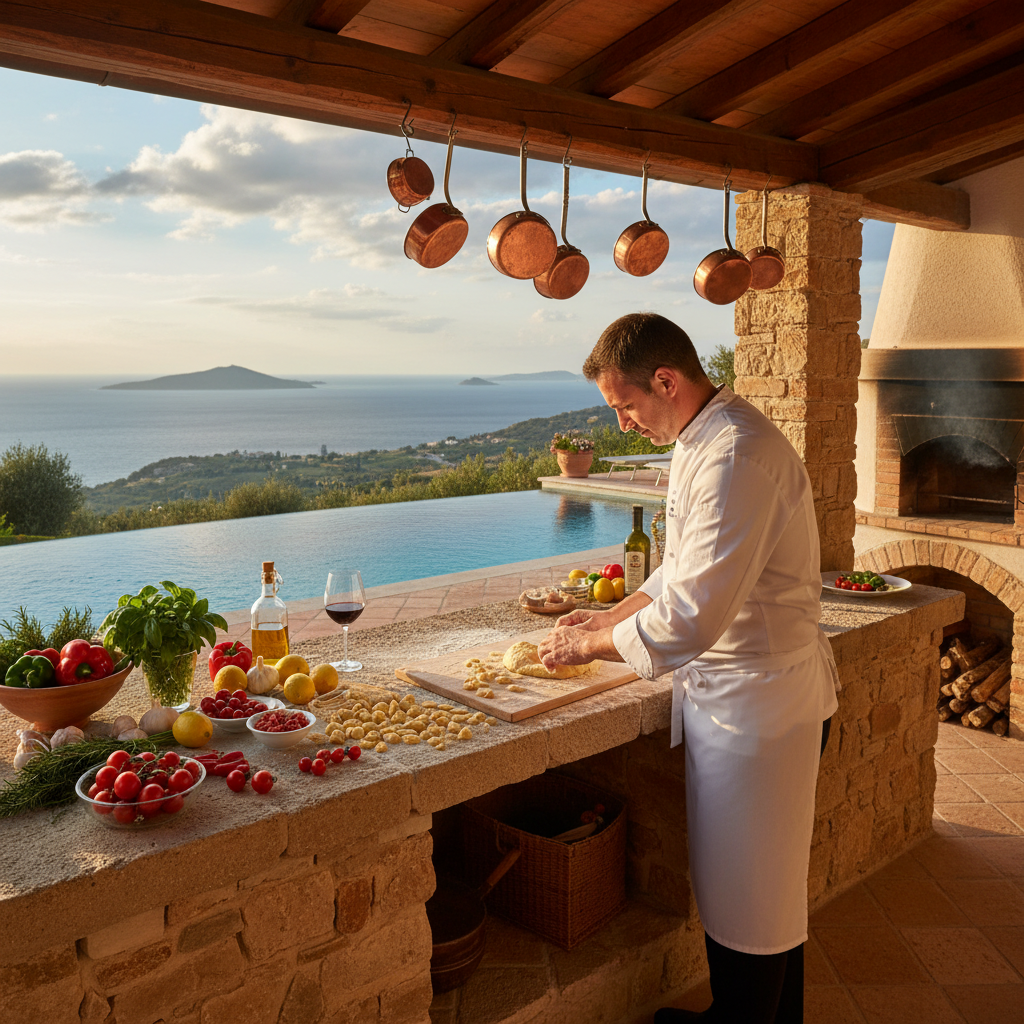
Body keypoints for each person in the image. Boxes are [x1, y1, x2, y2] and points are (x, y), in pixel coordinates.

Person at [537, 313, 839, 1024]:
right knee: (760, 901)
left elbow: (693, 615)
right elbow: (680, 569)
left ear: (665, 381)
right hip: (745, 705)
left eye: (625, 405)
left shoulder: (735, 453)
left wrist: (585, 648)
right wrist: (609, 618)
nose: (622, 424)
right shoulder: (704, 437)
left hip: (760, 715)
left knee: (751, 910)